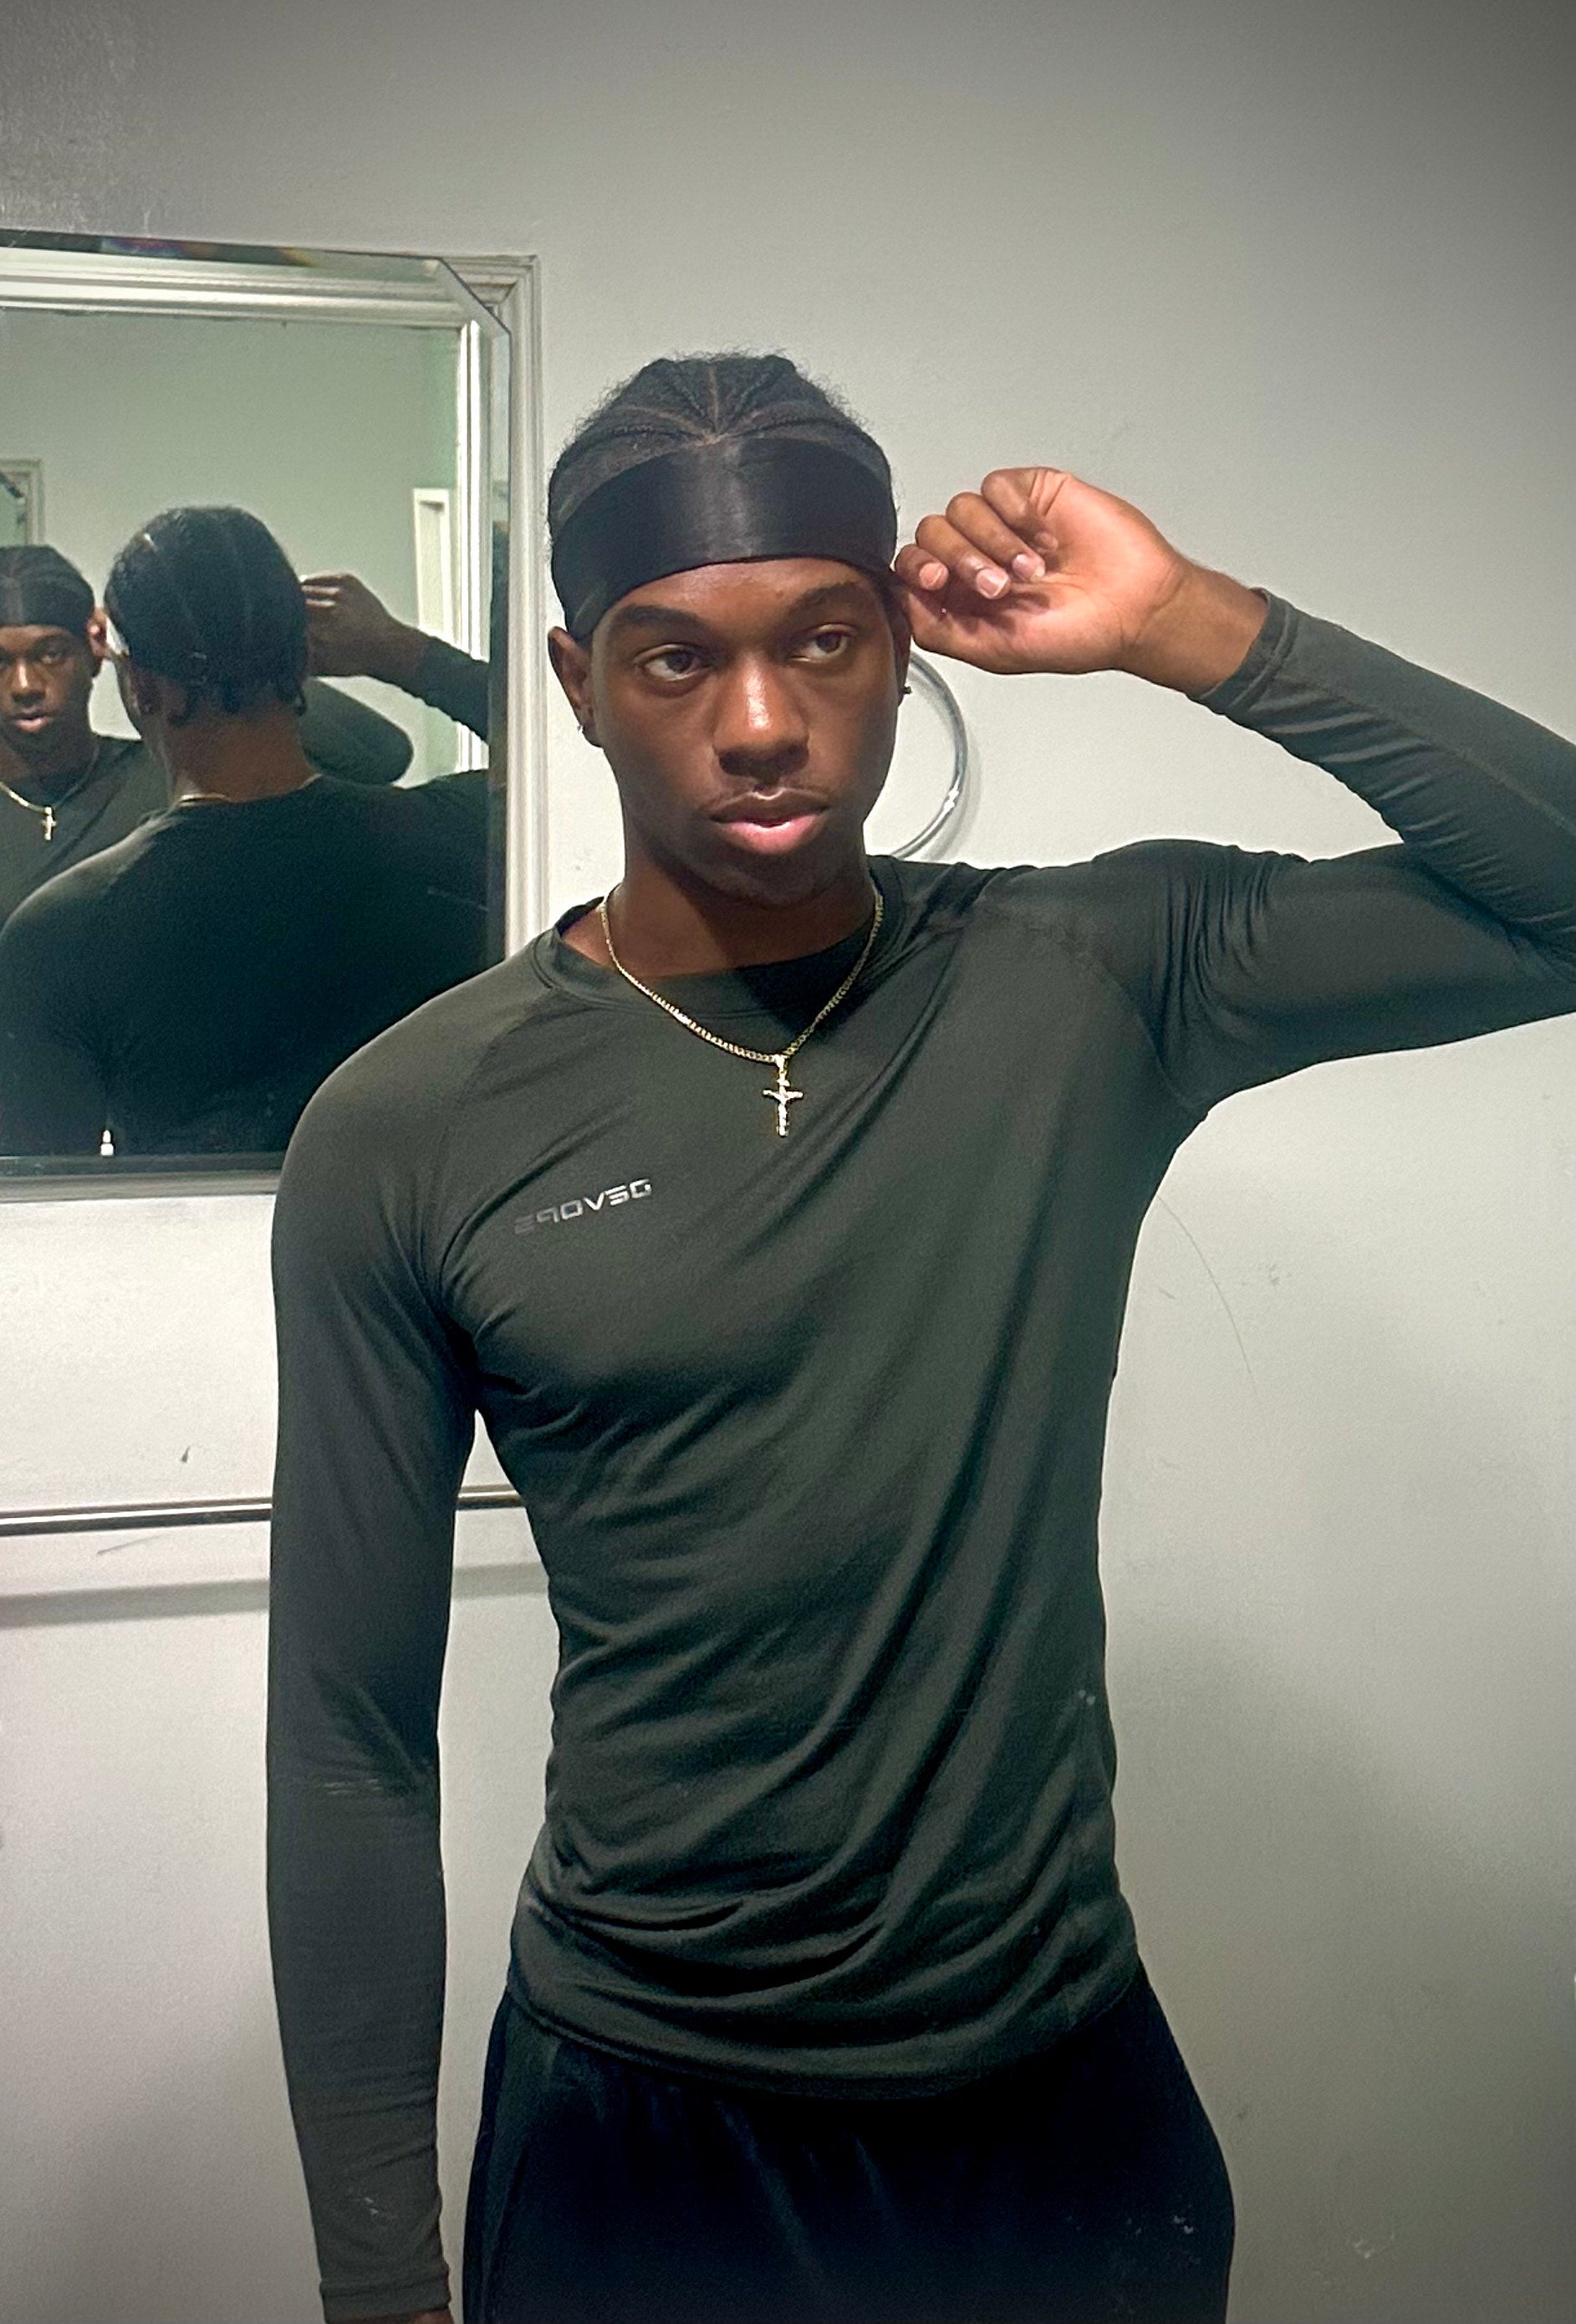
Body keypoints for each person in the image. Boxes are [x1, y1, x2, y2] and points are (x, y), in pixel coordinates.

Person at [265, 354, 1574, 2324]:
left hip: (1061, 2120)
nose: (762, 723)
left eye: (823, 639)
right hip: (648, 2134)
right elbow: (350, 1744)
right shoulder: (408, 1127)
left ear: (901, 646)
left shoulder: (1091, 977)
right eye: (675, 659)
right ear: (573, 681)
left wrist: (1186, 624)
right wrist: (381, 2285)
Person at [0, 506, 491, 1157]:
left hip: (194, 1227)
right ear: (304, 660)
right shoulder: (458, 834)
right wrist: (406, 654)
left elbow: (43, 1198)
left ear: (138, 685)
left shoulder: (62, 930)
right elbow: (573, 749)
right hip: (434, 1221)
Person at [0, 541, 417, 930]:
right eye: (1, 661)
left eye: (50, 654)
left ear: (94, 646)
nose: (25, 686)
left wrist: (241, 653)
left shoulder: (174, 775)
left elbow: (380, 756)